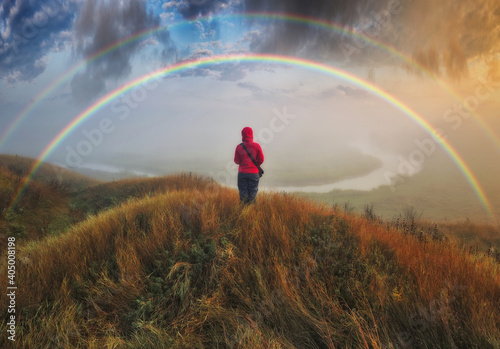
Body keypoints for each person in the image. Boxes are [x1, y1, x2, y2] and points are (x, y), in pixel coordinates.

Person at [234, 127, 264, 204]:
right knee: (253, 193)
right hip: (254, 174)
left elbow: (236, 161)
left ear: (242, 135)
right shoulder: (257, 146)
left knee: (243, 193)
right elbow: (261, 159)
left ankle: (244, 211)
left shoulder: (239, 147)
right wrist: (255, 165)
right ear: (251, 134)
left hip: (242, 173)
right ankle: (252, 212)